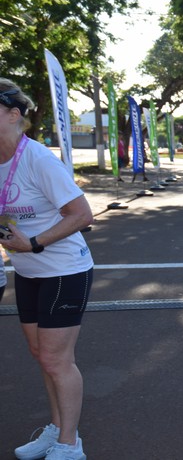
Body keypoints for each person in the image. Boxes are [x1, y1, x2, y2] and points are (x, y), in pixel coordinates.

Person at [0, 78, 94, 460]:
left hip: (63, 270)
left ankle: (71, 445)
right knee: (42, 356)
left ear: (12, 114)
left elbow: (82, 214)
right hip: (27, 271)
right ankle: (57, 428)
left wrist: (34, 242)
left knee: (57, 359)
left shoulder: (36, 158)